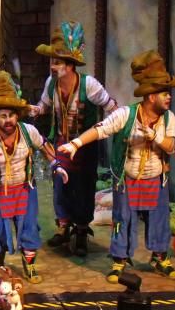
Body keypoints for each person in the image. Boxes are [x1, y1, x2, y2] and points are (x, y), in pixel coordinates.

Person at [58, 51, 175, 283]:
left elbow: (173, 147)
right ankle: (119, 261)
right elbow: (101, 128)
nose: (169, 98)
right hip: (127, 179)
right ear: (150, 96)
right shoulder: (127, 115)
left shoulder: (168, 119)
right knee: (122, 219)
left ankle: (160, 257)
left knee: (159, 219)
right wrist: (76, 143)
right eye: (164, 93)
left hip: (156, 178)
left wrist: (155, 136)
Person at [0, 72, 65, 284]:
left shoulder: (28, 132)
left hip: (25, 189)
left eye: (11, 115)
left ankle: (29, 263)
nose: (8, 120)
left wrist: (56, 165)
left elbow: (45, 147)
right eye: (3, 116)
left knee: (29, 226)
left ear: (18, 115)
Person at [28, 22, 118, 257]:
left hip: (85, 147)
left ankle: (80, 230)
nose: (53, 66)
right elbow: (44, 107)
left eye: (57, 62)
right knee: (60, 186)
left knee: (83, 187)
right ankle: (63, 226)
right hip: (61, 144)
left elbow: (112, 107)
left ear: (70, 65)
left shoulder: (89, 85)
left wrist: (120, 124)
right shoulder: (52, 84)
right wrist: (35, 111)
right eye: (52, 61)